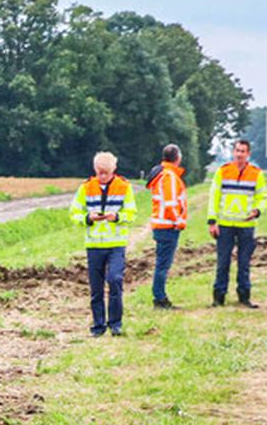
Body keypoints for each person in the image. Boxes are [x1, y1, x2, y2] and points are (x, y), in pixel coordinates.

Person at [69, 151, 136, 336]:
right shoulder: (85, 188)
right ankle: (98, 326)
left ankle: (116, 324)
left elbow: (131, 213)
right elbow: (74, 212)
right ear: (95, 170)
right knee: (96, 289)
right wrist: (87, 218)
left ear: (114, 169)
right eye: (100, 172)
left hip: (116, 244)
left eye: (106, 172)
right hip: (94, 245)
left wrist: (117, 217)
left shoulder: (124, 187)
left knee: (115, 280)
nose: (103, 176)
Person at [205, 138, 267, 308]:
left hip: (246, 226)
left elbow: (263, 197)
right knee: (222, 263)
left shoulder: (257, 173)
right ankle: (219, 298)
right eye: (237, 150)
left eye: (243, 151)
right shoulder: (222, 171)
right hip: (225, 225)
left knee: (244, 263)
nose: (239, 154)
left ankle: (244, 297)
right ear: (233, 152)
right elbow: (214, 197)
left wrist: (257, 210)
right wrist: (212, 221)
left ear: (248, 154)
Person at [147, 143, 187, 308]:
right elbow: (170, 203)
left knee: (161, 263)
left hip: (161, 224)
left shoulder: (162, 174)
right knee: (163, 265)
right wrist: (179, 221)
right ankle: (160, 298)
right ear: (177, 158)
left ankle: (159, 296)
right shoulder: (169, 176)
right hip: (168, 225)